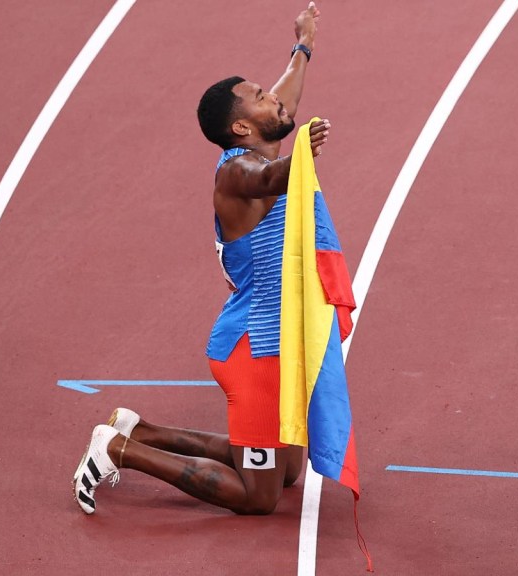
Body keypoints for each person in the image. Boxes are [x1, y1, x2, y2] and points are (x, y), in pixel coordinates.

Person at [73, 1, 333, 516]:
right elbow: (268, 179)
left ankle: (140, 429)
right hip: (253, 348)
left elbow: (283, 103)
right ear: (241, 129)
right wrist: (301, 151)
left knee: (287, 472)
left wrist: (303, 46)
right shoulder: (237, 175)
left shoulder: (259, 143)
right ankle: (116, 449)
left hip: (275, 335)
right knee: (260, 498)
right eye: (260, 97)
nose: (275, 99)